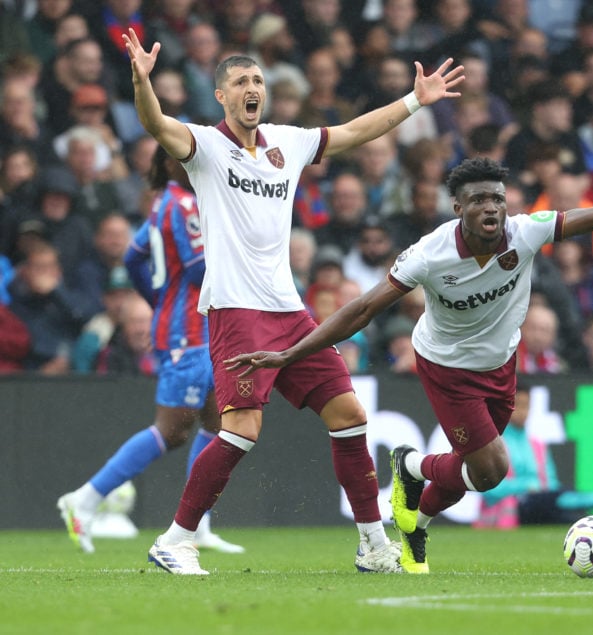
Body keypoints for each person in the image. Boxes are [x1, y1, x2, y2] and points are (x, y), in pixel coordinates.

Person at [225, 137, 593, 574]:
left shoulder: (526, 233)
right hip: (446, 366)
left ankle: (414, 496)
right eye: (479, 199)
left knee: (471, 477)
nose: (491, 208)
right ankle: (412, 473)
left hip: (501, 365)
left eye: (498, 199)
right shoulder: (430, 253)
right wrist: (291, 351)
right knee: (492, 468)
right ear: (457, 205)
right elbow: (362, 308)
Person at [122, 27, 465, 576]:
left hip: (290, 313)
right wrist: (142, 81)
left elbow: (353, 132)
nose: (251, 87)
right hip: (237, 312)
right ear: (222, 96)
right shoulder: (205, 147)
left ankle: (372, 543)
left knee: (349, 414)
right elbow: (154, 124)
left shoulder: (289, 143)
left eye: (257, 79)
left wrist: (412, 101)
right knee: (241, 430)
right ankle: (175, 540)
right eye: (239, 81)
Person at [57, 145, 243, 556]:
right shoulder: (186, 204)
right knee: (172, 431)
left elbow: (134, 255)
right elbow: (198, 269)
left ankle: (198, 525)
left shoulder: (165, 204)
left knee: (218, 424)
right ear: (172, 163)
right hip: (187, 334)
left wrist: (159, 300)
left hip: (200, 328)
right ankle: (85, 499)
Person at [474, 380, 593, 529]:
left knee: (563, 511)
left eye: (527, 406)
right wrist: (526, 487)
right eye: (518, 405)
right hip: (511, 509)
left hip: (541, 506)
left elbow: (550, 484)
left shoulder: (537, 445)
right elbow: (488, 489)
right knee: (547, 499)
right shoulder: (494, 443)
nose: (523, 411)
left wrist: (540, 490)